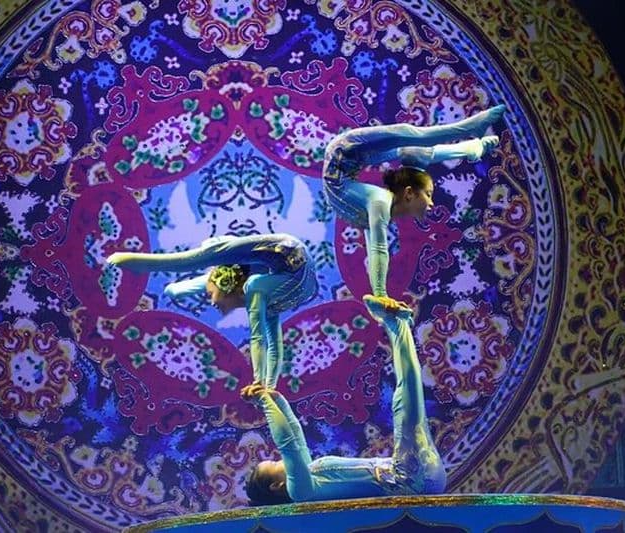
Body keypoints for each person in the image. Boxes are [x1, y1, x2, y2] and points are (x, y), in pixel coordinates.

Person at [244, 295, 444, 504]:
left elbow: (294, 434)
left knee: (405, 402)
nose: (280, 460)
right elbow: (287, 444)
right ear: (277, 486)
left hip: (413, 475)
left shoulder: (310, 477)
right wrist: (265, 403)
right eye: (275, 464)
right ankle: (397, 323)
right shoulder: (300, 492)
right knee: (404, 405)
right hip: (410, 482)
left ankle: (399, 323)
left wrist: (276, 401)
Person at [322, 105, 506, 314]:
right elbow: (378, 249)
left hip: (345, 158)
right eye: (428, 194)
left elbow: (376, 249)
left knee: (412, 147)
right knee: (410, 137)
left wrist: (380, 296)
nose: (431, 204)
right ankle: (470, 132)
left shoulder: (378, 202)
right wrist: (381, 296)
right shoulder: (379, 201)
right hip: (345, 157)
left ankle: (471, 142)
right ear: (409, 193)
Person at [107, 233, 317, 395]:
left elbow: (259, 337)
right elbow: (273, 345)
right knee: (199, 268)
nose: (210, 302)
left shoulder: (256, 289)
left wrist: (260, 383)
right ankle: (164, 278)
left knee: (203, 258)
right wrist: (268, 387)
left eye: (210, 292)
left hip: (288, 258)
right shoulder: (268, 297)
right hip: (292, 269)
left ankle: (136, 263)